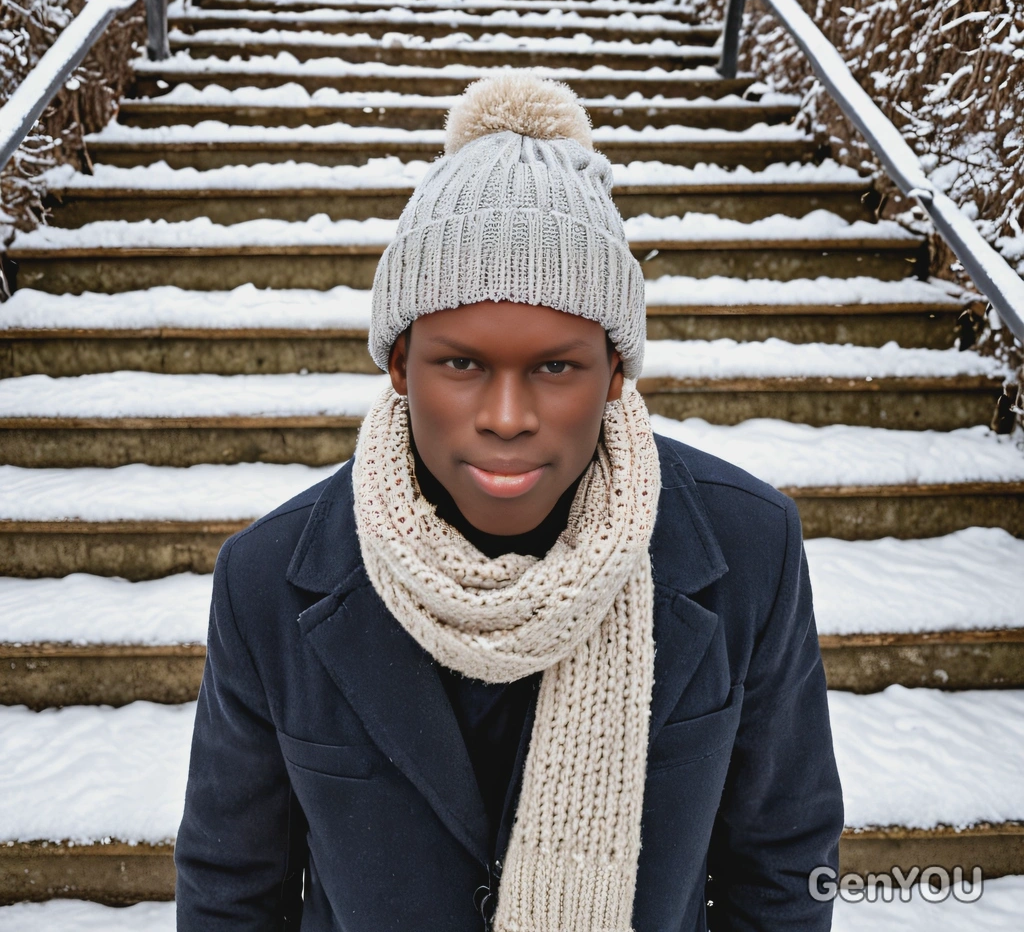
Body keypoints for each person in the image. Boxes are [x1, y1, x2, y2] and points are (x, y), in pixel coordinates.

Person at [174, 71, 844, 932]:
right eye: (461, 364)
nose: (505, 418)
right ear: (398, 367)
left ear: (615, 374)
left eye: (556, 367)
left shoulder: (747, 548)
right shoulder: (271, 578)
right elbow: (232, 890)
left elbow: (784, 865)